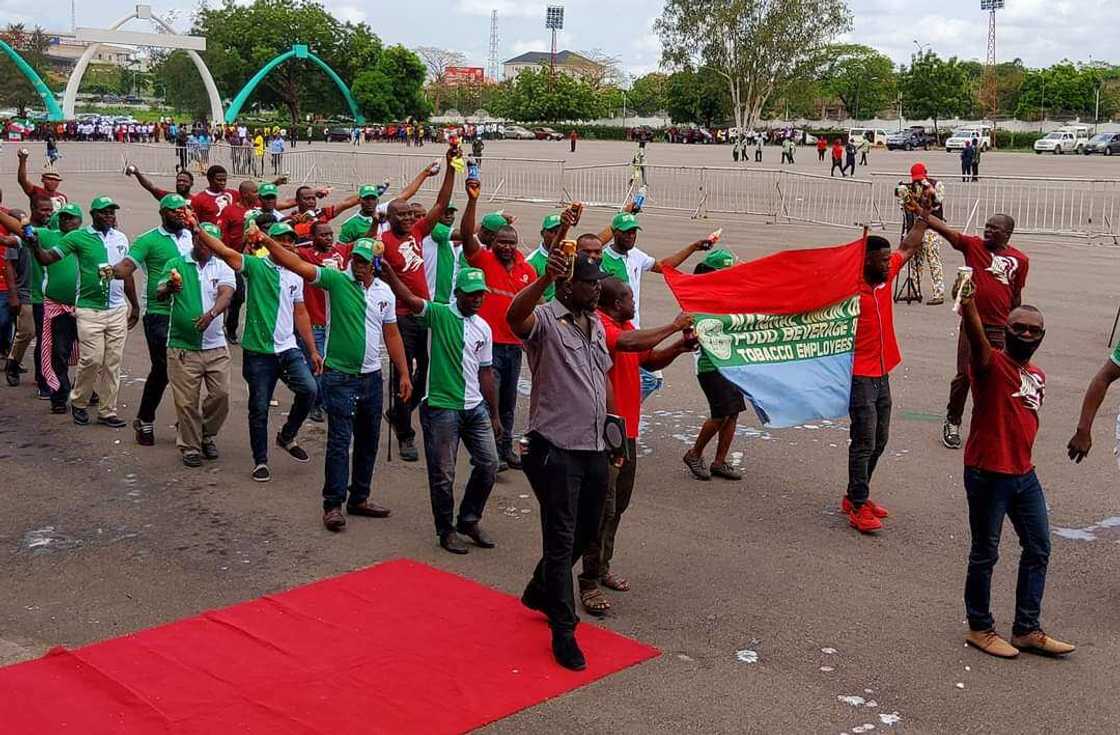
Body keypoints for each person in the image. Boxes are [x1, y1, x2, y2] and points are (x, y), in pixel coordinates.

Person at [252, 233, 411, 532]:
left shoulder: (384, 294)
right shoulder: (337, 281)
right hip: (339, 377)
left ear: (374, 265)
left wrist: (403, 373)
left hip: (372, 378)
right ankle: (333, 504)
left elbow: (392, 334)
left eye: (364, 262)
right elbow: (298, 265)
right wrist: (267, 242)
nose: (358, 266)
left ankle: (359, 498)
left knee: (368, 441)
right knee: (340, 441)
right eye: (356, 260)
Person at [507, 239, 613, 672]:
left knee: (591, 529)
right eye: (589, 285)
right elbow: (515, 317)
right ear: (568, 287)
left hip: (595, 446)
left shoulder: (597, 322)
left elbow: (601, 380)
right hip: (557, 449)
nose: (597, 290)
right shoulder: (548, 320)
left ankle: (538, 587)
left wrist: (613, 431)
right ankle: (563, 630)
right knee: (561, 537)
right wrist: (544, 279)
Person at [954, 281, 1073, 658]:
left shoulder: (1038, 374)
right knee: (985, 553)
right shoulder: (989, 364)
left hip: (1023, 473)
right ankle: (980, 627)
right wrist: (969, 304)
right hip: (988, 472)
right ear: (1005, 330)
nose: (1024, 333)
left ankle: (1026, 628)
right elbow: (975, 338)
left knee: (1039, 546)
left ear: (1042, 337)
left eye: (1032, 330)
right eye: (1017, 327)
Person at [578, 277, 695, 615]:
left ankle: (602, 566)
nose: (634, 303)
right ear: (615, 302)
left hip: (627, 432)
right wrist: (674, 325)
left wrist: (678, 348)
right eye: (629, 297)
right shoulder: (600, 326)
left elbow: (649, 359)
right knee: (603, 508)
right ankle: (587, 581)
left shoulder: (626, 323)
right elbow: (627, 344)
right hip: (605, 433)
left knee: (619, 505)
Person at [382, 261, 501, 554]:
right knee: (443, 474)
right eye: (471, 294)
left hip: (474, 408)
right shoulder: (439, 313)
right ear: (457, 293)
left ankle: (469, 519)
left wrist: (494, 413)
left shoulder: (483, 327)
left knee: (489, 464)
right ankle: (446, 530)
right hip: (440, 407)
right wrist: (390, 273)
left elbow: (486, 372)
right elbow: (409, 299)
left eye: (480, 294)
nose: (476, 299)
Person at [195, 221, 321, 483]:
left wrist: (312, 350)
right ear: (268, 243)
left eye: (291, 241)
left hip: (288, 349)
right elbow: (223, 250)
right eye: (282, 240)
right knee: (259, 407)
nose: (288, 245)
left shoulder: (296, 274)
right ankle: (260, 460)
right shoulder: (255, 266)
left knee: (310, 390)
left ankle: (286, 436)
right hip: (259, 353)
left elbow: (301, 312)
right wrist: (198, 230)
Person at [919, 210, 1028, 451]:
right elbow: (947, 231)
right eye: (987, 226)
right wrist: (923, 213)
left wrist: (1015, 325)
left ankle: (993, 427)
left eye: (994, 228)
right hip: (971, 325)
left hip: (1000, 329)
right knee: (965, 375)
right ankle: (953, 420)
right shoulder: (973, 246)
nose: (988, 230)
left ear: (1007, 234)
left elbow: (1016, 295)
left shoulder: (1020, 260)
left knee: (998, 379)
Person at [26, 197, 139, 427]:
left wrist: (134, 305)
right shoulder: (78, 237)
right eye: (104, 212)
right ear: (93, 214)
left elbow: (127, 273)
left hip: (116, 309)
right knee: (92, 359)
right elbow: (48, 257)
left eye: (111, 212)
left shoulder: (121, 238)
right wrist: (35, 244)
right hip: (89, 309)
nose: (109, 216)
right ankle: (79, 401)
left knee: (113, 362)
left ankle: (108, 411)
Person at [845, 224, 926, 533]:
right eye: (880, 260)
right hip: (859, 376)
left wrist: (924, 219)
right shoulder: (849, 288)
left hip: (882, 371)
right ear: (865, 261)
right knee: (864, 440)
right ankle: (857, 505)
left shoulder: (884, 276)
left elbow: (907, 247)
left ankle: (856, 493)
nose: (887, 263)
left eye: (886, 259)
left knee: (880, 439)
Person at [381, 145, 457, 461]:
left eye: (412, 215)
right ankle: (405, 434)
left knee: (425, 372)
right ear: (390, 218)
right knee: (403, 371)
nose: (410, 219)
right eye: (403, 215)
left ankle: (400, 413)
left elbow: (441, 203)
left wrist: (452, 166)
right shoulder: (382, 243)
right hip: (399, 317)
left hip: (424, 313)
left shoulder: (418, 231)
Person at [459, 178, 538, 471]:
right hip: (486, 348)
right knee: (487, 401)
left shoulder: (527, 270)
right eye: (502, 242)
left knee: (508, 403)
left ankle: (505, 450)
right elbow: (467, 234)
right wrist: (472, 200)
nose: (506, 247)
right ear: (494, 242)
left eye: (511, 243)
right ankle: (486, 450)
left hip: (514, 347)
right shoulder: (482, 260)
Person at [111, 194, 194, 446]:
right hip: (158, 312)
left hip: (187, 310)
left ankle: (187, 423)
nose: (181, 214)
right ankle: (145, 419)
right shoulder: (148, 240)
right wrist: (110, 271)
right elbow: (127, 266)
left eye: (183, 210)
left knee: (189, 370)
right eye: (175, 211)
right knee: (163, 368)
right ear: (162, 213)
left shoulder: (192, 236)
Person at [156, 222, 235, 467]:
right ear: (194, 240)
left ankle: (206, 434)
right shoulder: (175, 264)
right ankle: (190, 446)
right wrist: (169, 286)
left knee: (221, 395)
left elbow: (226, 293)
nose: (207, 247)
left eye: (212, 243)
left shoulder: (222, 266)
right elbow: (159, 290)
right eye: (203, 242)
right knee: (187, 401)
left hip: (215, 346)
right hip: (182, 346)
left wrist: (211, 314)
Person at [5, 204, 81, 412]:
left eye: (72, 217)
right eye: (64, 217)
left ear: (81, 221)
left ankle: (85, 391)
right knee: (53, 348)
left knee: (90, 354)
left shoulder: (86, 238)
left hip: (85, 307)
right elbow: (16, 236)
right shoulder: (46, 235)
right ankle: (56, 392)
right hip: (48, 302)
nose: (68, 221)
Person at [682, 249, 746, 481]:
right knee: (721, 413)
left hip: (731, 360)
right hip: (710, 363)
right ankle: (694, 453)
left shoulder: (730, 294)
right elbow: (688, 327)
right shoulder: (696, 297)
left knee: (734, 412)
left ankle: (720, 461)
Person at [296, 221, 352, 422]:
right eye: (323, 235)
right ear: (313, 238)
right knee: (316, 364)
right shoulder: (305, 255)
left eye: (330, 234)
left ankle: (328, 400)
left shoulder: (341, 251)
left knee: (333, 365)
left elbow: (366, 240)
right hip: (314, 322)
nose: (329, 238)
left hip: (337, 322)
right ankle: (315, 403)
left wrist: (374, 222)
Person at [903, 163, 946, 306]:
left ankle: (938, 292)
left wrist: (929, 188)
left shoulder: (936, 184)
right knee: (916, 260)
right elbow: (907, 207)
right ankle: (915, 290)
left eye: (920, 179)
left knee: (933, 260)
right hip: (917, 228)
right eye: (915, 179)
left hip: (932, 227)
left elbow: (938, 202)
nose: (917, 182)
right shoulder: (911, 187)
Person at [526, 213, 562, 302]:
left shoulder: (571, 255)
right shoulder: (531, 262)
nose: (557, 236)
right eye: (552, 231)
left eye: (560, 232)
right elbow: (533, 295)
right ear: (542, 233)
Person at [127, 166, 194, 202]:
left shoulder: (196, 201)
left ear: (191, 184)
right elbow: (150, 187)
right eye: (179, 180)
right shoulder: (169, 197)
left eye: (185, 181)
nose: (181, 183)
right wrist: (137, 173)